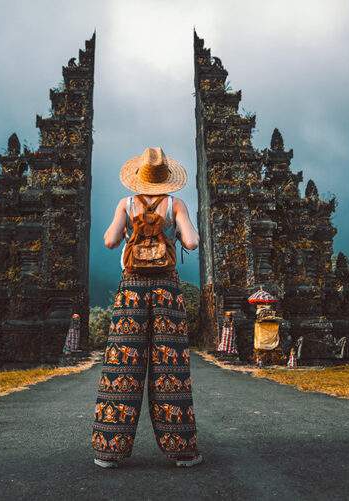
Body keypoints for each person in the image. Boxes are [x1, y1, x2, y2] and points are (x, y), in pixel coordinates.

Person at [91, 147, 203, 468]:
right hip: (167, 291)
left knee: (122, 366)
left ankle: (108, 451)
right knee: (171, 369)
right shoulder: (175, 203)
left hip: (131, 291)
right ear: (166, 178)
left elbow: (110, 242)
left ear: (138, 177)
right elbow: (193, 242)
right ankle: (182, 450)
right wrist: (176, 233)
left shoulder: (125, 204)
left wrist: (129, 231)